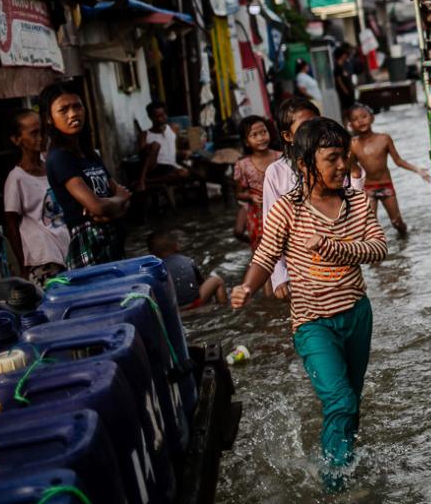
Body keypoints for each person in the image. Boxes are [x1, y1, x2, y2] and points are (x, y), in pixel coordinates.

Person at [231, 118, 388, 489]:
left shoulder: (358, 201)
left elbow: (378, 248)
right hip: (312, 322)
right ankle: (335, 486)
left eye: (343, 158)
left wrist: (334, 248)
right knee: (341, 403)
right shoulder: (287, 209)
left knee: (351, 402)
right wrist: (247, 288)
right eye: (332, 158)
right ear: (304, 164)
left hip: (356, 315)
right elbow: (265, 255)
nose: (340, 167)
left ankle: (345, 462)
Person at [262, 97, 364, 297]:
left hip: (337, 252)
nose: (314, 131)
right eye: (304, 126)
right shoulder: (276, 172)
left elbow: (354, 204)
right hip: (300, 262)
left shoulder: (334, 162)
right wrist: (279, 275)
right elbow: (271, 226)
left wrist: (354, 172)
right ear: (287, 136)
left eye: (316, 123)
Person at [41, 81, 131, 266]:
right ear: (49, 118)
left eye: (77, 106)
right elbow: (98, 205)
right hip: (90, 246)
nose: (73, 114)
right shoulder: (59, 158)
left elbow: (123, 198)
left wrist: (111, 210)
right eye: (63, 110)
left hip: (112, 240)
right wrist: (117, 201)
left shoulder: (90, 155)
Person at [3, 108, 70, 286]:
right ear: (17, 140)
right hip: (42, 256)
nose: (40, 138)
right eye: (33, 133)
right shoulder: (16, 178)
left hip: (66, 246)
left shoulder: (52, 165)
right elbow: (11, 223)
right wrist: (22, 264)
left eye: (42, 131)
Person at [346, 102, 430, 235]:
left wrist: (418, 170)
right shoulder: (353, 145)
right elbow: (351, 169)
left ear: (372, 118)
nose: (360, 121)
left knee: (397, 223)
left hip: (386, 186)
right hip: (368, 189)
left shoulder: (384, 139)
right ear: (350, 124)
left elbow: (398, 161)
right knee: (370, 225)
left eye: (364, 116)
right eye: (355, 119)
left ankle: (404, 242)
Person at [232, 115, 281, 246]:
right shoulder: (242, 165)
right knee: (263, 251)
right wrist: (250, 196)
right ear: (246, 141)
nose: (261, 138)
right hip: (257, 214)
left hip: (282, 209)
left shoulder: (281, 157)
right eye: (254, 135)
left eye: (264, 132)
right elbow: (238, 193)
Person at [149, 230, 226, 309]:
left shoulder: (151, 270)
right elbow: (200, 283)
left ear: (151, 254)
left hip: (172, 310)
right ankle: (222, 306)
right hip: (194, 304)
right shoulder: (186, 260)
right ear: (176, 246)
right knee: (216, 280)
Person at [135, 101, 190, 191]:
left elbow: (173, 151)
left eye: (162, 115)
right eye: (156, 117)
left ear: (166, 115)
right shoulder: (144, 135)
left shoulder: (173, 128)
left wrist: (183, 152)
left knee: (185, 173)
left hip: (169, 166)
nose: (160, 119)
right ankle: (142, 180)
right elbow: (143, 157)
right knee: (155, 145)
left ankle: (149, 181)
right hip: (154, 168)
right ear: (150, 117)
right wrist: (151, 148)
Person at [332, 44, 357, 112]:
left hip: (350, 88)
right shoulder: (337, 66)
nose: (346, 56)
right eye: (345, 55)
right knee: (347, 107)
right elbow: (339, 80)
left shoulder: (345, 64)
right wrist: (345, 90)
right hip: (345, 91)